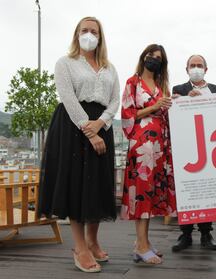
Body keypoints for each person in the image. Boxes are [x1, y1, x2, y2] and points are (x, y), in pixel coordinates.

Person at [38, 17, 120, 273]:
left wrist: (102, 124)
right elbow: (68, 98)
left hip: (102, 126)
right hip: (73, 128)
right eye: (84, 30)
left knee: (97, 184)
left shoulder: (110, 68)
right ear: (76, 34)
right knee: (76, 185)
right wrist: (89, 129)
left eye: (93, 31)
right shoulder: (65, 63)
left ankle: (93, 241)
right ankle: (79, 247)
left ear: (100, 37)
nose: (89, 34)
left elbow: (115, 100)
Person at [121, 44, 176, 265]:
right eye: (151, 56)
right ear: (143, 57)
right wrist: (154, 107)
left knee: (153, 193)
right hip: (142, 146)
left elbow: (166, 112)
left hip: (160, 146)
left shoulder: (162, 85)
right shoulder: (132, 82)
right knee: (142, 191)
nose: (153, 59)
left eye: (158, 58)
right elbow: (127, 114)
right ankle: (142, 245)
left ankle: (142, 243)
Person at [171, 54, 216, 252]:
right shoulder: (179, 89)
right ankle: (185, 234)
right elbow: (174, 114)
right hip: (187, 147)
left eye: (199, 65)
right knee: (187, 192)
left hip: (211, 146)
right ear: (186, 69)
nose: (196, 68)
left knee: (207, 192)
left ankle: (206, 233)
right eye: (192, 65)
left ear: (206, 69)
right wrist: (183, 100)